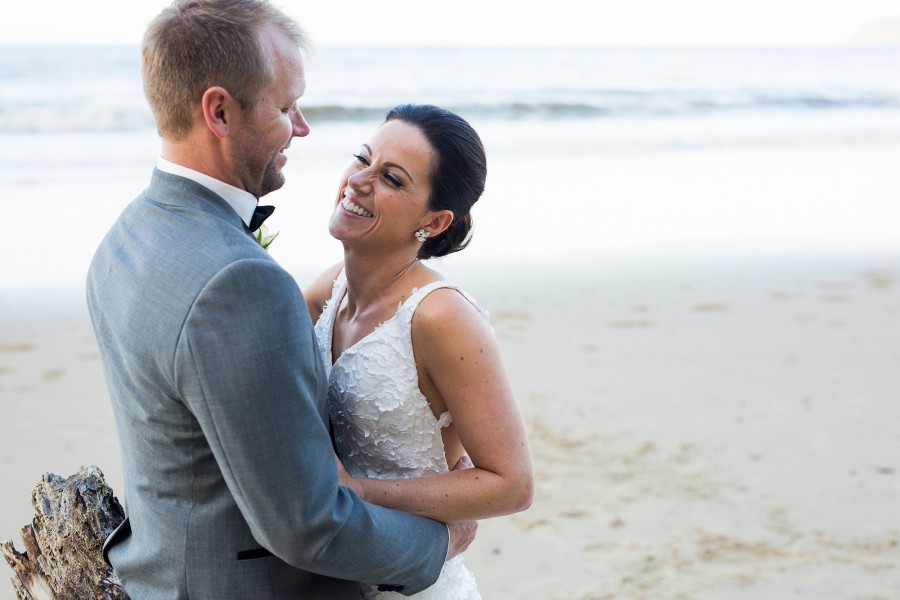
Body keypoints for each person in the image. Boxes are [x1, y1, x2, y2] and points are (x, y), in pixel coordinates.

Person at [86, 2, 474, 598]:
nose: (303, 127)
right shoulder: (239, 283)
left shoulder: (126, 235)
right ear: (218, 111)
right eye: (286, 106)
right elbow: (307, 528)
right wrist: (438, 545)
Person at [304, 104, 534, 599]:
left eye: (391, 178)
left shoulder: (440, 317)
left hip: (418, 579)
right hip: (334, 577)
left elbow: (512, 484)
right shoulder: (328, 291)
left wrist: (360, 494)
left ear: (434, 221)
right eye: (361, 159)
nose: (359, 181)